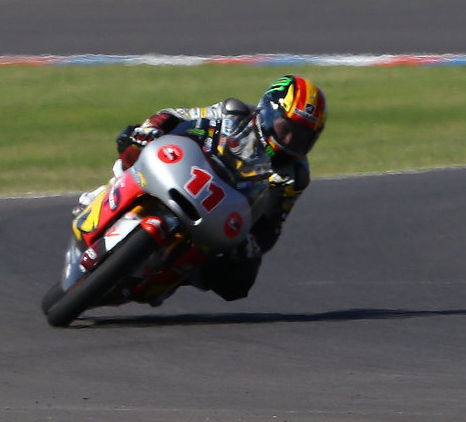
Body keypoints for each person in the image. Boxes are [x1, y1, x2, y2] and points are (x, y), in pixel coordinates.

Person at [106, 76, 328, 302]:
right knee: (132, 145)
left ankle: (175, 275)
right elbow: (175, 116)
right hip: (184, 173)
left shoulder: (294, 175)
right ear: (269, 114)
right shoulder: (233, 113)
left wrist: (251, 244)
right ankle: (105, 198)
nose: (289, 141)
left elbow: (271, 225)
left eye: (301, 137)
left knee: (240, 280)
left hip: (221, 214)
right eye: (285, 129)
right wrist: (151, 128)